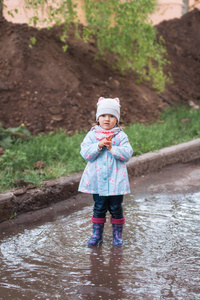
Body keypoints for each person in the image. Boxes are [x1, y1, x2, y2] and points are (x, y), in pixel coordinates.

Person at [78, 97, 133, 246]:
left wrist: (112, 148)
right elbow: (85, 153)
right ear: (97, 118)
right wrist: (98, 145)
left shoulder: (120, 136)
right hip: (98, 181)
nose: (107, 119)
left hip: (116, 181)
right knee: (99, 207)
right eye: (103, 115)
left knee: (116, 207)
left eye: (111, 116)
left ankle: (117, 236)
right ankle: (97, 235)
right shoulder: (92, 135)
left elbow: (127, 153)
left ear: (117, 119)